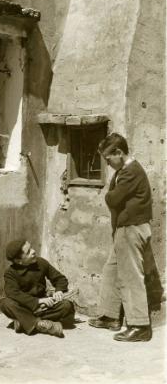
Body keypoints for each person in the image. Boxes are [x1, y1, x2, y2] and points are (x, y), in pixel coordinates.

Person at [88, 133, 153, 342]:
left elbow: (113, 199)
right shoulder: (123, 171)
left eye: (108, 159)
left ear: (118, 153)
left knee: (131, 277)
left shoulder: (130, 172)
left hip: (131, 229)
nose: (107, 164)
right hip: (124, 229)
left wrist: (108, 194)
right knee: (112, 271)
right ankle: (110, 316)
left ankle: (140, 325)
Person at [1, 238, 75, 338]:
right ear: (19, 261)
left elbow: (60, 279)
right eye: (28, 252)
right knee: (6, 303)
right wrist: (37, 301)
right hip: (25, 306)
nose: (33, 251)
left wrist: (59, 291)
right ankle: (39, 325)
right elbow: (13, 293)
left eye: (31, 247)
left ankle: (24, 322)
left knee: (67, 305)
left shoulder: (41, 263)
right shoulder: (10, 273)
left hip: (43, 307)